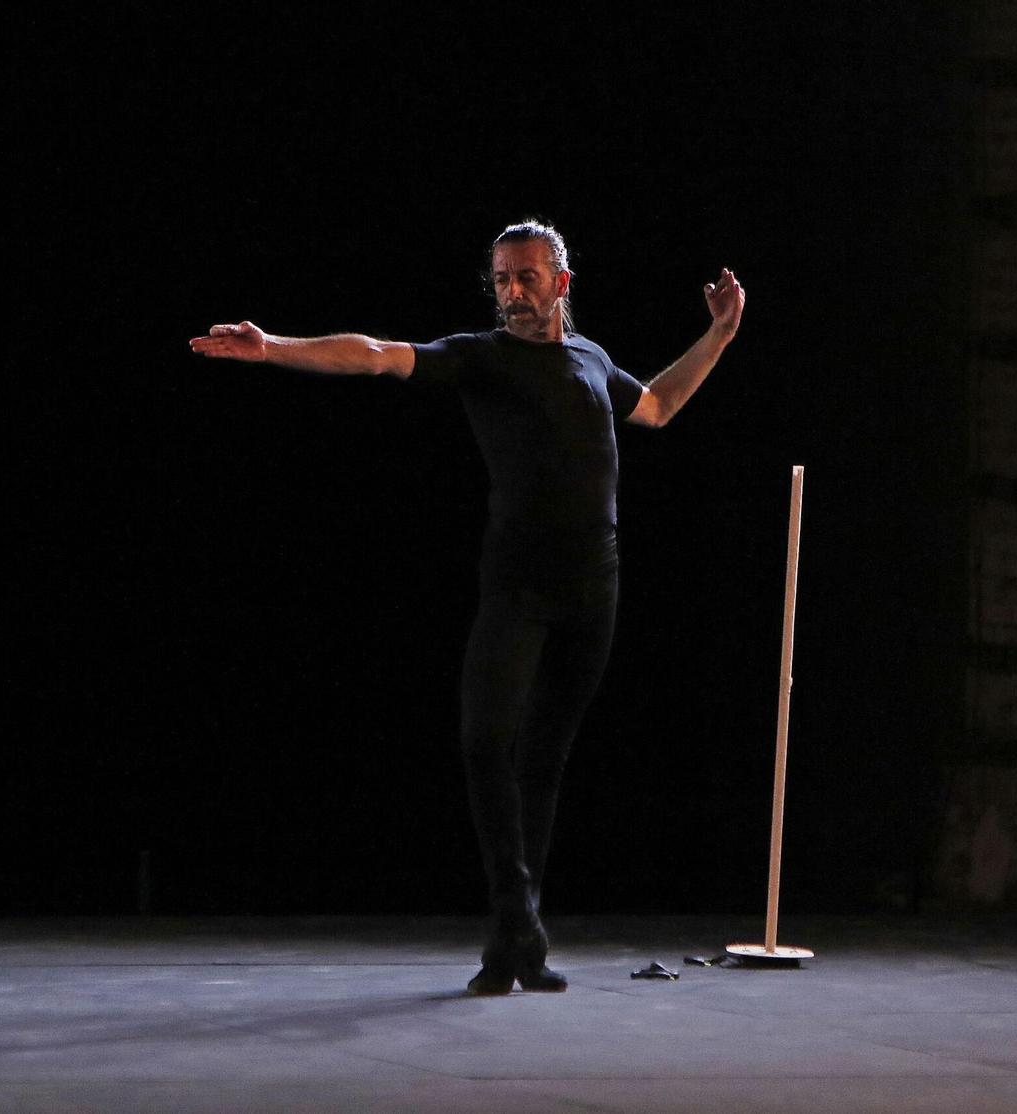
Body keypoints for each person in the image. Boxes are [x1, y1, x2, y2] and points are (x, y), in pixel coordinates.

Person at [191, 220, 745, 995]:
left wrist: (717, 335)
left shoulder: (590, 359)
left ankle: (515, 941)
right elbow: (379, 356)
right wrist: (274, 345)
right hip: (518, 585)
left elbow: (655, 408)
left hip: (595, 586)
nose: (512, 292)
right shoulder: (481, 359)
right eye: (502, 280)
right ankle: (517, 915)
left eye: (526, 277)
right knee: (487, 743)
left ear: (561, 283)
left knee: (544, 761)